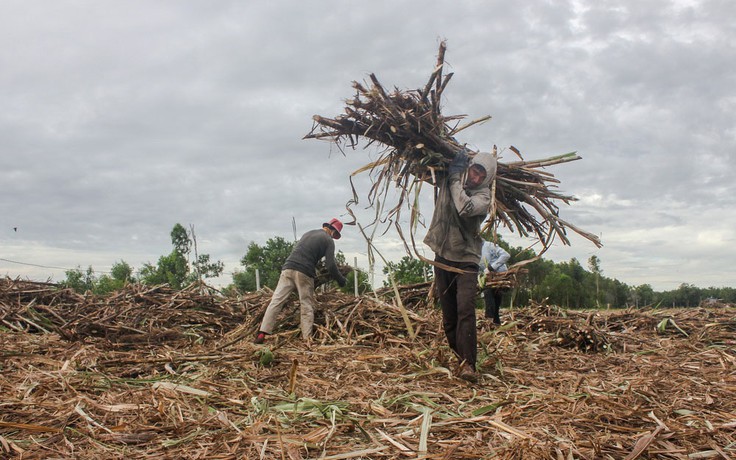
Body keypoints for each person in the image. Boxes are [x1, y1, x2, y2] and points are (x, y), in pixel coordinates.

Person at [424, 149, 496, 383]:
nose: (475, 178)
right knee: (448, 315)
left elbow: (464, 208)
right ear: (470, 167)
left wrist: (455, 178)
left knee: (465, 308)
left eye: (481, 176)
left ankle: (469, 365)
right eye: (475, 171)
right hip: (442, 252)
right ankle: (459, 358)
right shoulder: (449, 176)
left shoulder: (484, 197)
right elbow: (427, 169)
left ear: (487, 179)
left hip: (466, 258)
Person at [254, 218, 347, 344]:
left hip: (287, 268)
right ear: (332, 230)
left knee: (276, 300)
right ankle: (307, 339)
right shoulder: (328, 240)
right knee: (306, 304)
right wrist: (341, 280)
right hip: (304, 272)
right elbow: (330, 265)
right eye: (335, 234)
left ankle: (262, 333)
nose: (334, 237)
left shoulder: (308, 233)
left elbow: (305, 253)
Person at [479, 240, 510, 325]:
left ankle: (489, 320)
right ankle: (495, 322)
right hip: (487, 279)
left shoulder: (489, 246)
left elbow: (506, 255)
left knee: (489, 293)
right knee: (492, 296)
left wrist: (491, 267)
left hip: (500, 276)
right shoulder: (472, 251)